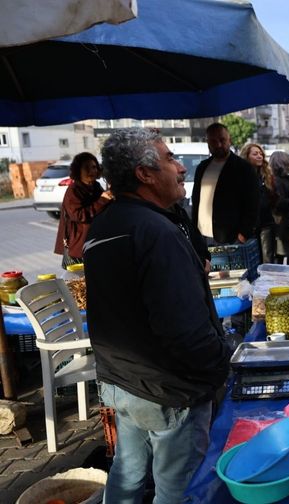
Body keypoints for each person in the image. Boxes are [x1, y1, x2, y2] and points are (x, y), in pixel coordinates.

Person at [84, 128, 231, 502]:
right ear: (144, 174)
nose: (180, 168)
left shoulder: (105, 224)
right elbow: (184, 329)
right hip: (169, 390)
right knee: (178, 487)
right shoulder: (154, 230)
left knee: (128, 477)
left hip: (123, 382)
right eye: (169, 159)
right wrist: (219, 367)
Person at [191, 123, 259, 245]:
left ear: (230, 140)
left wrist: (242, 236)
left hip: (230, 238)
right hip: (202, 236)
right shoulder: (202, 167)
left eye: (222, 140)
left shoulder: (244, 168)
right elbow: (196, 199)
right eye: (213, 141)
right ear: (208, 143)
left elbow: (253, 204)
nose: (218, 145)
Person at [53, 152, 113, 267]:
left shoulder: (95, 186)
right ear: (78, 170)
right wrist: (102, 199)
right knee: (80, 281)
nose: (92, 171)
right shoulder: (73, 190)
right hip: (79, 246)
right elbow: (79, 215)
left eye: (94, 167)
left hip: (94, 241)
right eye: (86, 168)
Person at [240, 143, 278, 264]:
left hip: (266, 223)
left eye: (261, 154)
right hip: (248, 227)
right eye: (255, 154)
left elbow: (274, 199)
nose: (259, 156)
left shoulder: (267, 176)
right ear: (247, 156)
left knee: (267, 259)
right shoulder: (240, 176)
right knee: (251, 260)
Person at [270, 151, 289, 265]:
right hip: (286, 225)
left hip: (283, 226)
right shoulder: (283, 180)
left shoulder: (275, 180)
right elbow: (280, 202)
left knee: (280, 257)